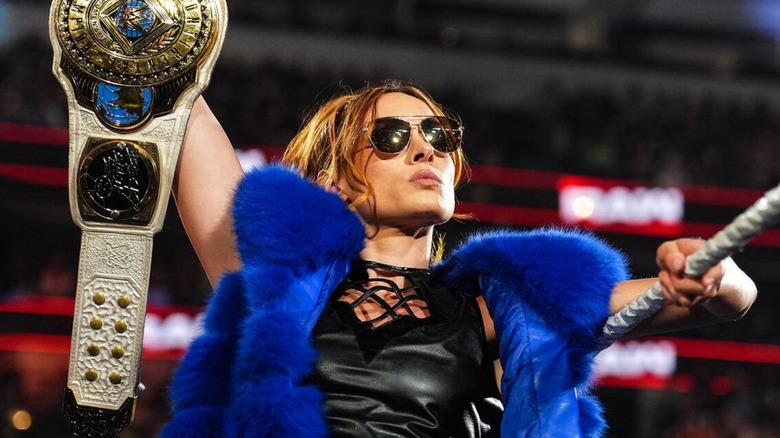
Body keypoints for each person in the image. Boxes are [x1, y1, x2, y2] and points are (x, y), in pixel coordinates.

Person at [163, 80, 757, 437]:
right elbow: (183, 96)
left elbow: (731, 299)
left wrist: (710, 272)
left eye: (440, 134)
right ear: (335, 180)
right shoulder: (272, 283)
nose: (425, 147)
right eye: (392, 137)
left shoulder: (498, 308)